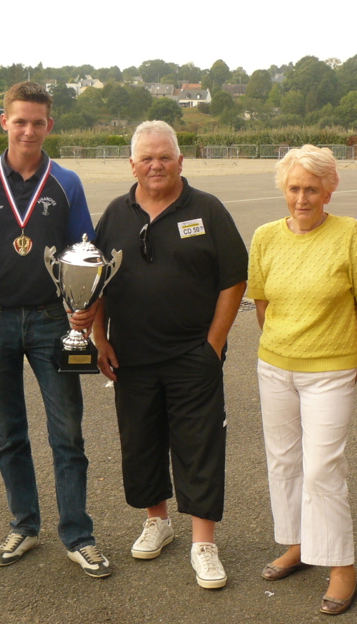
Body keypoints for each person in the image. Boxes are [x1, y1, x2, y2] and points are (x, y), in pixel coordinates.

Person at [0, 81, 110, 578]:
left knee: (67, 433)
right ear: (4, 121)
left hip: (50, 319)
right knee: (9, 433)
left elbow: (84, 253)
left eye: (37, 122)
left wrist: (83, 310)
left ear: (49, 126)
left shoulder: (67, 182)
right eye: (19, 121)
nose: (28, 130)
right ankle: (23, 523)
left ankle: (77, 534)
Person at [92, 121, 248, 589]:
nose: (156, 165)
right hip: (131, 357)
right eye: (147, 158)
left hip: (192, 356)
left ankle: (204, 543)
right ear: (133, 164)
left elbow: (233, 279)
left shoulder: (207, 209)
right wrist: (100, 340)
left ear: (181, 161)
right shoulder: (115, 215)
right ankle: (156, 521)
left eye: (165, 157)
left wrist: (213, 345)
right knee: (140, 443)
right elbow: (92, 280)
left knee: (199, 447)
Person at [248, 145, 357, 614]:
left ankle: (341, 565)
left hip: (332, 370)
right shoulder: (265, 237)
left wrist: (355, 358)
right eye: (294, 188)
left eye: (312, 189)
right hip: (276, 366)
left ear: (329, 190)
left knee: (323, 467)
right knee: (283, 461)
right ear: (284, 190)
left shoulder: (349, 233)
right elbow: (262, 302)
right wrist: (284, 346)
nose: (302, 198)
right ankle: (299, 544)